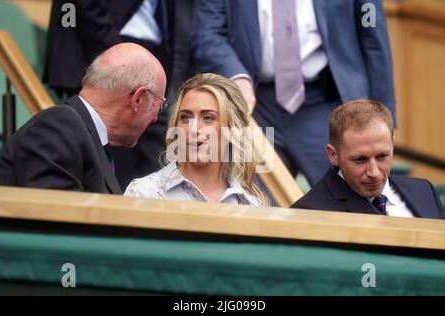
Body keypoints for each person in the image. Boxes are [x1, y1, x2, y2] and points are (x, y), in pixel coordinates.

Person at [191, 0, 395, 186]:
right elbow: (207, 34)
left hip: (328, 106)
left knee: (350, 203)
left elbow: (372, 33)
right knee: (253, 204)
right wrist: (237, 78)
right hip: (256, 109)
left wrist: (384, 118)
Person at [42, 0, 199, 191]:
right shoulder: (51, 131)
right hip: (106, 51)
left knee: (157, 165)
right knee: (110, 168)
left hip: (157, 56)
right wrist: (121, 62)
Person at [0, 43, 167, 194]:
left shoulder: (80, 132)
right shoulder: (58, 128)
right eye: (159, 104)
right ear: (138, 98)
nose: (155, 118)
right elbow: (54, 221)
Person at [124, 73, 268, 205]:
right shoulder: (143, 194)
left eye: (208, 118)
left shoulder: (250, 205)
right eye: (185, 117)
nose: (193, 129)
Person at [291, 99, 444, 219]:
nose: (374, 172)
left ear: (392, 144)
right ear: (333, 155)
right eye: (360, 160)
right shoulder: (310, 212)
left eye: (382, 156)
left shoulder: (425, 191)